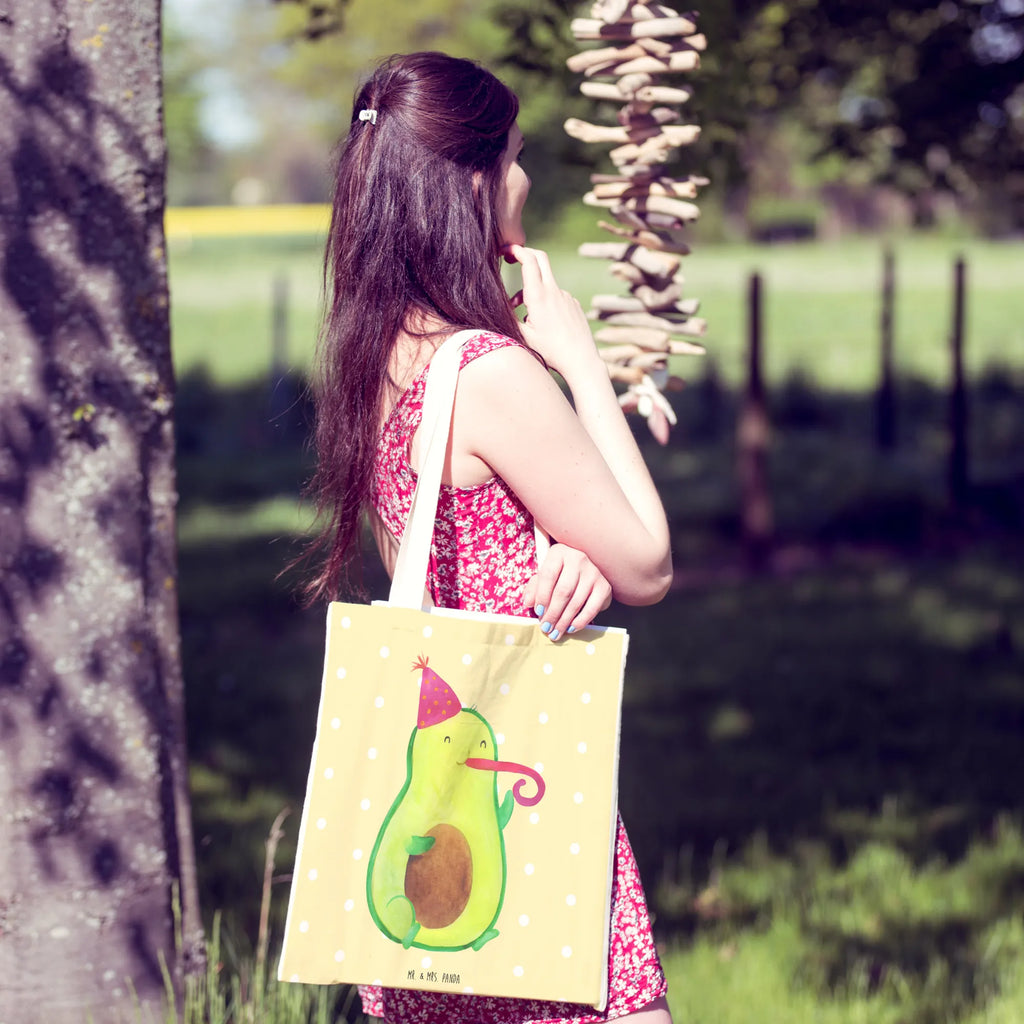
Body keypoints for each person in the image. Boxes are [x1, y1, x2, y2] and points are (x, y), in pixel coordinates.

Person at [305, 51, 674, 1024]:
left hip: (429, 828)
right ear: (470, 181)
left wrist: (558, 556)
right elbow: (648, 560)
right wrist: (582, 363)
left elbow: (439, 559)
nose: (523, 178)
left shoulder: (380, 357)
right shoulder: (491, 372)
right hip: (522, 809)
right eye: (512, 156)